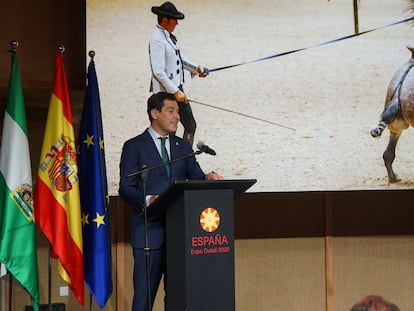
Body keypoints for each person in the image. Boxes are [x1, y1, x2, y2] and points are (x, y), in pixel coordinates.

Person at [119, 92, 223, 311]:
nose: (177, 117)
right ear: (154, 113)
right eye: (171, 111)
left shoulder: (183, 147)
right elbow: (126, 188)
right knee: (143, 301)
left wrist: (207, 178)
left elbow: (195, 176)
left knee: (177, 300)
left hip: (181, 235)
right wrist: (149, 199)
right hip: (149, 234)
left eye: (177, 112)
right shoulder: (134, 146)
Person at [148, 1, 208, 146]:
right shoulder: (157, 40)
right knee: (169, 129)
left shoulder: (167, 36)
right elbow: (158, 71)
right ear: (165, 20)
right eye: (174, 20)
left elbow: (178, 58)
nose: (177, 24)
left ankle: (185, 155)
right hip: (166, 93)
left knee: (190, 124)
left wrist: (196, 68)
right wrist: (175, 92)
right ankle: (169, 161)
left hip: (176, 90)